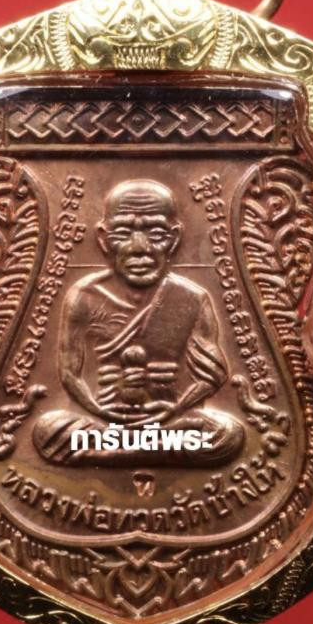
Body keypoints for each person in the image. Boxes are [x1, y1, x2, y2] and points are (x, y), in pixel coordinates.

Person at [32, 179, 244, 466]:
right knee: (48, 429)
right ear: (104, 239)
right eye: (123, 233)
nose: (139, 248)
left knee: (227, 433)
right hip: (105, 421)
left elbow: (211, 377)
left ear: (174, 238)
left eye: (155, 233)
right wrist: (101, 411)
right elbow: (70, 374)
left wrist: (172, 410)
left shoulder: (192, 297)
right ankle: (149, 451)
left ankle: (113, 454)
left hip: (170, 421)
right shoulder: (84, 296)